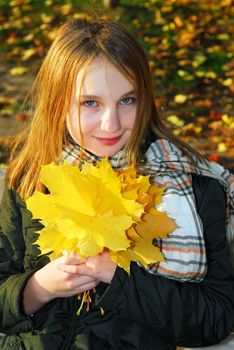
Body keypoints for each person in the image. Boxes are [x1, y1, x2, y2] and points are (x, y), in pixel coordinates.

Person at [0, 18, 233, 350]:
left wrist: (119, 278)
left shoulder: (192, 185)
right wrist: (37, 289)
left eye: (128, 100)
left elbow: (216, 319)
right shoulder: (33, 174)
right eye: (90, 103)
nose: (111, 124)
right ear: (58, 102)